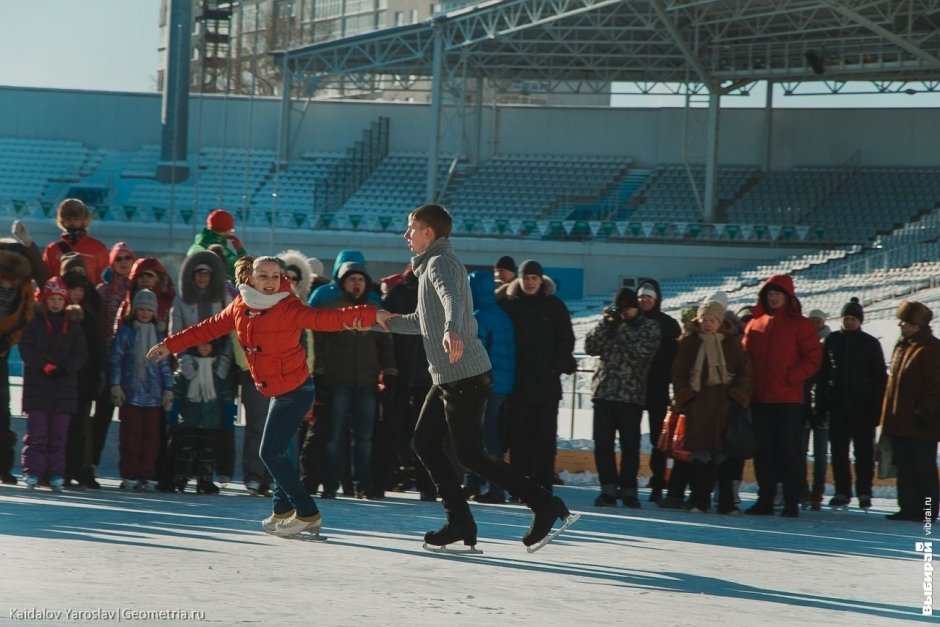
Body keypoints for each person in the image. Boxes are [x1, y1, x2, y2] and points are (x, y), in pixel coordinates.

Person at [148, 256, 388, 537]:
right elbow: (208, 327)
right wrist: (169, 345)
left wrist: (372, 314)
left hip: (296, 390)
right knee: (281, 450)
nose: (271, 282)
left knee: (270, 452)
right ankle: (282, 510)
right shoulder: (240, 305)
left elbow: (326, 319)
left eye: (276, 276)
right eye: (264, 276)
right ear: (251, 277)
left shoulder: (288, 306)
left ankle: (307, 512)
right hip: (276, 389)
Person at [386, 204, 574, 551]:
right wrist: (385, 321)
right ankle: (459, 521)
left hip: (464, 374)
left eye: (410, 228)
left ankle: (543, 504)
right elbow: (422, 321)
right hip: (448, 376)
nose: (406, 235)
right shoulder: (430, 265)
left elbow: (452, 299)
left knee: (470, 455)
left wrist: (452, 328)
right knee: (425, 443)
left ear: (429, 232)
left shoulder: (441, 263)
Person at [315, 261, 396, 500]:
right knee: (334, 437)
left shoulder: (375, 309)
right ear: (342, 283)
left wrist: (390, 372)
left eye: (360, 279)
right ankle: (330, 484)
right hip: (337, 380)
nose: (357, 283)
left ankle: (363, 484)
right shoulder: (331, 309)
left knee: (364, 439)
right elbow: (319, 344)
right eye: (352, 279)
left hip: (367, 383)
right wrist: (318, 373)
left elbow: (386, 344)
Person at [742, 275, 821, 518]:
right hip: (760, 399)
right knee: (763, 451)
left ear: (788, 296)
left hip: (789, 400)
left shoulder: (801, 325)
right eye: (769, 294)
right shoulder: (754, 324)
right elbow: (744, 360)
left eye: (777, 294)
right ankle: (765, 498)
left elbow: (813, 358)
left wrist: (791, 377)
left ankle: (790, 500)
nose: (773, 298)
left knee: (789, 451)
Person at [500, 258, 576, 493]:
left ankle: (543, 486)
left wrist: (556, 366)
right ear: (519, 279)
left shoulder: (555, 306)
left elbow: (566, 340)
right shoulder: (508, 305)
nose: (530, 282)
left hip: (546, 386)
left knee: (544, 439)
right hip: (517, 385)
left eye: (534, 278)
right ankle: (520, 487)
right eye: (526, 278)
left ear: (541, 280)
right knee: (519, 438)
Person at [671, 294, 752, 514]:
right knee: (700, 457)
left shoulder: (732, 345)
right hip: (698, 409)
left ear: (720, 322)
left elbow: (746, 374)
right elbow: (678, 373)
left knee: (725, 459)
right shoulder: (689, 344)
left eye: (712, 320)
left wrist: (736, 398)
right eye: (704, 320)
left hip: (725, 409)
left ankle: (725, 503)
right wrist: (686, 396)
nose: (708, 324)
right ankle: (699, 500)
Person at [584, 287, 660, 508]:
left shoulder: (649, 327)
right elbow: (590, 347)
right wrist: (605, 324)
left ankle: (629, 490)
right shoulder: (611, 324)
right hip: (604, 393)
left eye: (628, 308)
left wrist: (622, 327)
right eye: (622, 308)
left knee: (630, 446)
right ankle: (607, 488)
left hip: (631, 396)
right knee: (603, 445)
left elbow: (642, 353)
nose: (624, 312)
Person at [169, 251, 234, 486]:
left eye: (207, 274)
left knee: (212, 427)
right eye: (198, 274)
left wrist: (223, 364)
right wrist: (185, 362)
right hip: (191, 366)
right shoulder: (182, 299)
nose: (202, 279)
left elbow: (230, 333)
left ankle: (207, 475)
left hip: (216, 368)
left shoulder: (222, 299)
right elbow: (175, 333)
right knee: (189, 424)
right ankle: (183, 471)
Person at [815, 297, 886, 511]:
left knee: (864, 453)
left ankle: (865, 491)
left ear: (860, 321)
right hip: (837, 407)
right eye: (846, 318)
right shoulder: (833, 341)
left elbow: (879, 379)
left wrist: (877, 410)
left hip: (862, 407)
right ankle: (842, 491)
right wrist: (820, 405)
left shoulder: (870, 343)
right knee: (838, 453)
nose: (849, 322)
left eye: (853, 318)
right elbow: (823, 375)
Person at [18, 277, 87, 491]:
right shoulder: (34, 324)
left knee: (59, 436)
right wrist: (44, 365)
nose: (56, 303)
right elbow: (27, 350)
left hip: (63, 389)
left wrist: (67, 368)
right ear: (45, 300)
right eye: (52, 299)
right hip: (39, 388)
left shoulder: (74, 327)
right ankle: (33, 471)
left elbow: (81, 353)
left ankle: (56, 473)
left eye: (59, 299)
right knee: (37, 434)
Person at [880, 300, 940, 522]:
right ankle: (908, 507)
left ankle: (926, 511)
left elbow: (936, 386)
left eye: (905, 322)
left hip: (921, 421)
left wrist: (926, 413)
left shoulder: (932, 348)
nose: (901, 326)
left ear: (917, 325)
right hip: (901, 420)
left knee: (923, 470)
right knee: (905, 468)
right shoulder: (903, 346)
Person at [110, 289, 175, 491]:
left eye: (149, 309)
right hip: (131, 394)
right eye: (141, 309)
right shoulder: (125, 332)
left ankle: (148, 474)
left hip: (154, 395)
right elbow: (116, 360)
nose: (145, 313)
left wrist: (168, 389)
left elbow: (164, 365)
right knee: (131, 435)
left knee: (151, 437)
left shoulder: (159, 335)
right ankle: (130, 473)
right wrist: (116, 385)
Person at [463, 269, 516, 504]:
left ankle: (495, 487)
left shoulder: (479, 316)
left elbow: (474, 353)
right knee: (481, 435)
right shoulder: (500, 315)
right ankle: (475, 482)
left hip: (485, 385)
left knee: (484, 437)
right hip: (503, 384)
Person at [88, 242, 137, 485]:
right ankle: (92, 463)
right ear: (112, 262)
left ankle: (132, 471)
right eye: (119, 259)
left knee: (133, 420)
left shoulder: (138, 290)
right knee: (102, 416)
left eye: (128, 258)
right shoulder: (103, 291)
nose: (124, 263)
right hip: (108, 360)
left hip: (132, 363)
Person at [62, 267, 109, 488]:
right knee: (63, 424)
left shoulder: (91, 316)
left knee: (81, 425)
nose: (77, 294)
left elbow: (98, 347)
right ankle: (61, 467)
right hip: (61, 378)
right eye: (73, 289)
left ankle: (81, 467)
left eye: (81, 289)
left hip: (85, 378)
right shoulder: (58, 314)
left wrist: (100, 371)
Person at [636, 280, 680, 502]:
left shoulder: (668, 325)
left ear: (656, 299)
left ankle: (658, 481)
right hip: (632, 389)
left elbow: (674, 357)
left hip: (657, 388)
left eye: (649, 297)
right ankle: (628, 482)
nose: (644, 300)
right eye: (642, 296)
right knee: (630, 437)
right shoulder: (631, 320)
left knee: (658, 439)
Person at [170, 341, 235, 494]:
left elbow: (227, 397)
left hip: (211, 421)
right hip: (189, 420)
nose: (205, 347)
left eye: (209, 344)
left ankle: (204, 479)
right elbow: (177, 394)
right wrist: (173, 415)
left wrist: (228, 416)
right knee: (186, 450)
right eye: (201, 344)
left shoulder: (219, 372)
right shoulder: (186, 370)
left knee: (208, 452)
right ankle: (181, 477)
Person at [0, 241, 37, 484]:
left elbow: (25, 318)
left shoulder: (24, 288)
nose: (9, 282)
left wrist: (6, 341)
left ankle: (3, 466)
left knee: (3, 413)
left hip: (2, 352)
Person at [42, 198, 110, 283]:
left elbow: (103, 281)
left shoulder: (98, 247)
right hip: (61, 295)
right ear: (62, 220)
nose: (72, 222)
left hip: (88, 294)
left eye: (76, 219)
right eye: (68, 219)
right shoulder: (53, 249)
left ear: (83, 220)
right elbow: (47, 280)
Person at [188, 209, 248, 281]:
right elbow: (243, 271)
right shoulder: (219, 250)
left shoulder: (198, 244)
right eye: (231, 229)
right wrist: (240, 250)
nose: (231, 232)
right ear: (224, 229)